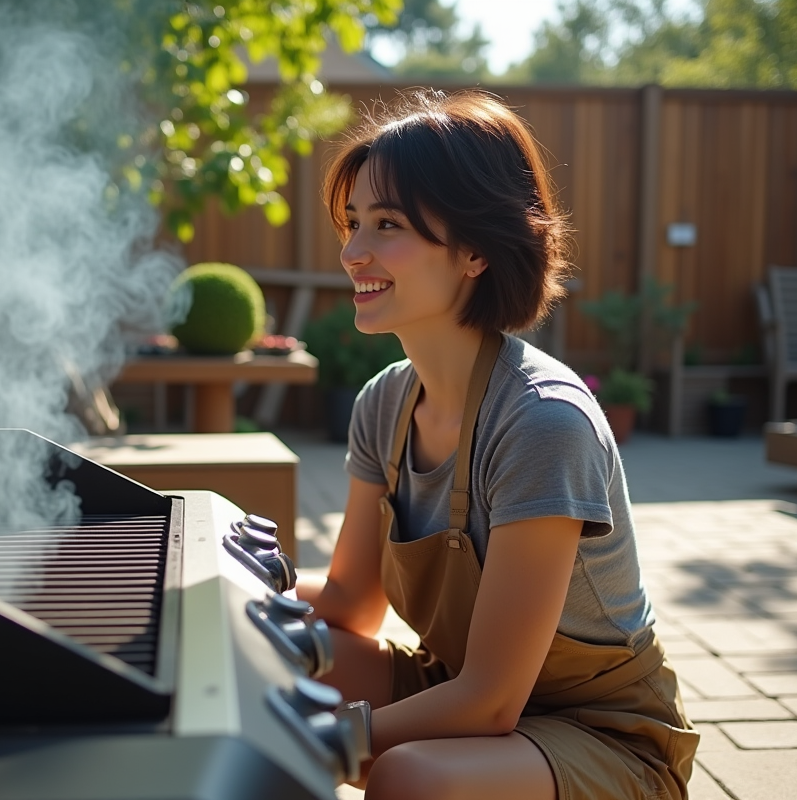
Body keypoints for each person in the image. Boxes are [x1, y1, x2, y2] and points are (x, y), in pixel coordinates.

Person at [295, 90, 699, 800]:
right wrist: (237, 593)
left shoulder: (542, 421)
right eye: (353, 222)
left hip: (602, 734)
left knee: (411, 777)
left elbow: (490, 702)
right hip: (461, 685)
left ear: (476, 249)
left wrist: (333, 736)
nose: (353, 252)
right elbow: (350, 608)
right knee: (276, 661)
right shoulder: (383, 403)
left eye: (386, 225)